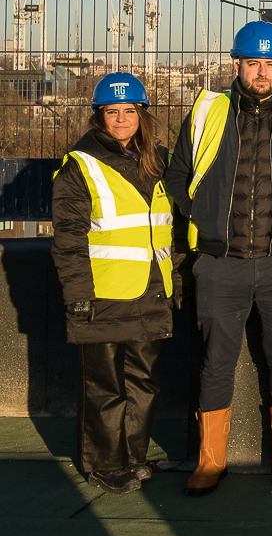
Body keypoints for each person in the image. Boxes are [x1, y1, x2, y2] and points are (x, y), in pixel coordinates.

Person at [163, 20, 272, 495]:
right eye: (253, 63)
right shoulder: (206, 110)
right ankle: (210, 460)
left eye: (270, 63)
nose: (262, 72)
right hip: (220, 265)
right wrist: (200, 215)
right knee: (216, 362)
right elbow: (177, 175)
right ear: (237, 65)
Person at [51, 73, 183, 494]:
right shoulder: (80, 166)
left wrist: (175, 279)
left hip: (151, 291)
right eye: (113, 111)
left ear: (142, 115)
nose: (122, 119)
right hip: (102, 296)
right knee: (104, 388)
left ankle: (134, 458)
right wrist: (77, 297)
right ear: (99, 116)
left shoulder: (160, 161)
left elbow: (172, 230)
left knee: (144, 383)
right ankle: (106, 466)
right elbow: (68, 239)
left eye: (130, 111)